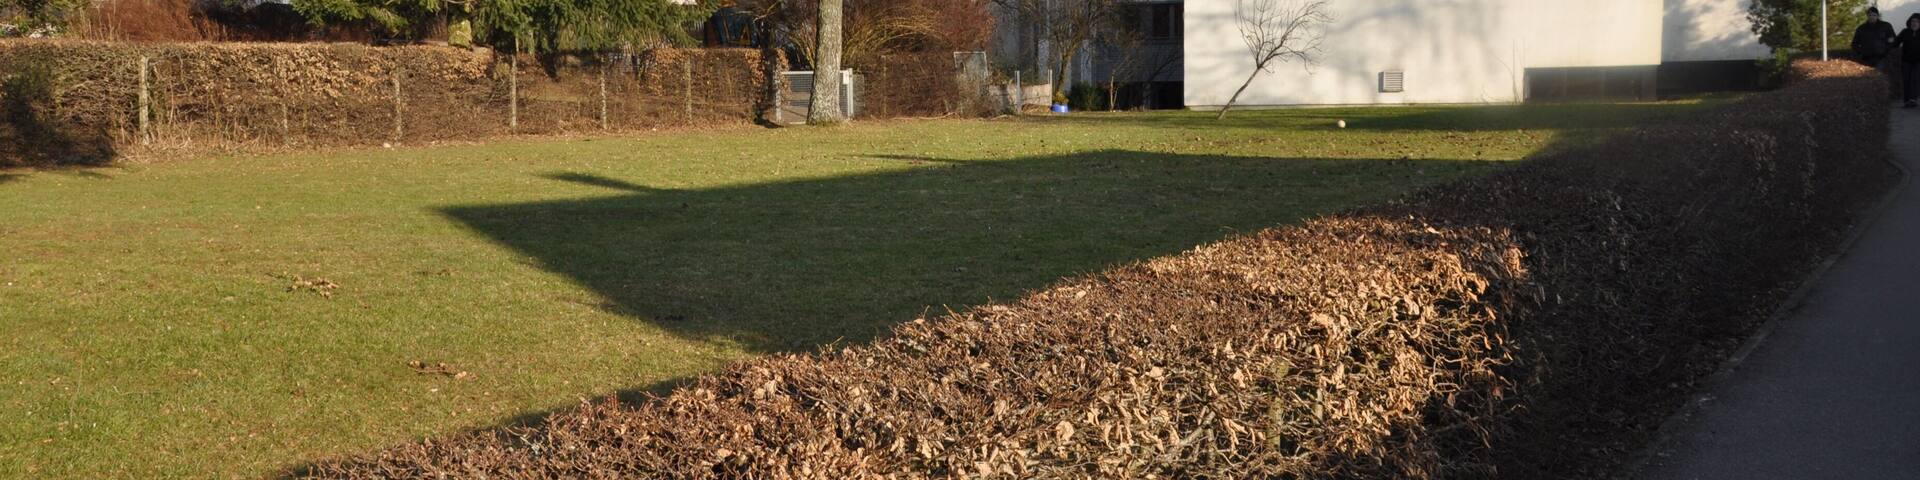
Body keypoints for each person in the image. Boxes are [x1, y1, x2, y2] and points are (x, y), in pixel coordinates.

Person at [1897, 14, 1920, 108]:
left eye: (1917, 21)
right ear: (1909, 23)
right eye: (1913, 21)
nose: (1914, 23)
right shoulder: (1905, 32)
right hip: (1906, 60)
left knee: (1915, 79)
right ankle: (1907, 101)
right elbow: (1896, 42)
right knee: (1906, 80)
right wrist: (1888, 43)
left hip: (1919, 61)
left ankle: (1913, 99)